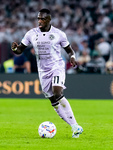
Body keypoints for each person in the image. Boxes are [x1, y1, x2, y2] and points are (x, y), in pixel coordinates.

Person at [11, 8, 83, 138]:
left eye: (42, 19)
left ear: (49, 20)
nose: (40, 21)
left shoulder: (59, 34)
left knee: (57, 93)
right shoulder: (31, 34)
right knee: (53, 101)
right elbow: (20, 50)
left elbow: (69, 50)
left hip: (56, 67)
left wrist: (72, 57)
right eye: (38, 18)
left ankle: (75, 126)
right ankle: (75, 126)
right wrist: (15, 49)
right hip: (42, 71)